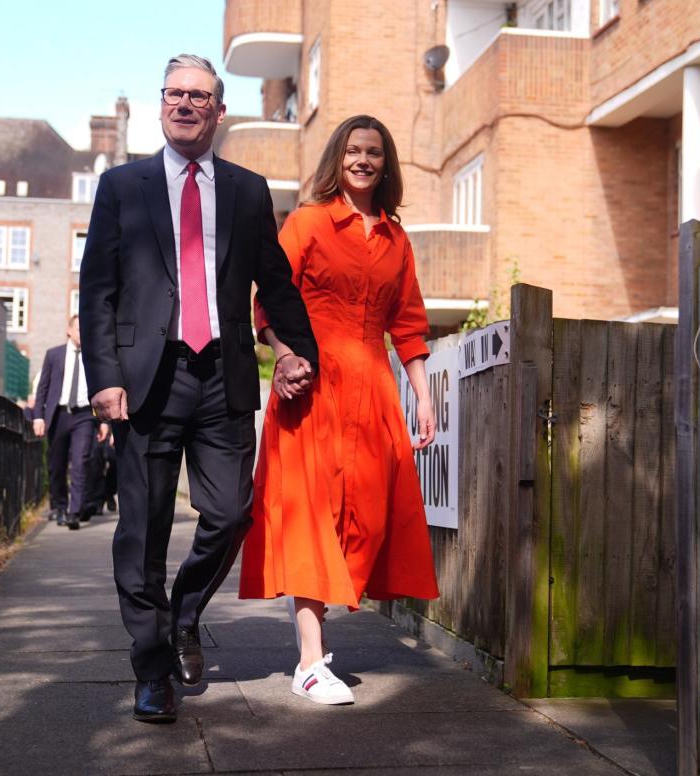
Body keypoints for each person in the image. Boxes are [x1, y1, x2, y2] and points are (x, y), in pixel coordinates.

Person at [79, 54, 318, 724]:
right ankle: (152, 668)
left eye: (200, 96)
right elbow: (97, 288)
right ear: (162, 104)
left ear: (218, 110)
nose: (185, 104)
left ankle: (183, 613)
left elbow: (274, 282)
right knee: (144, 529)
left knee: (231, 512)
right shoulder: (122, 186)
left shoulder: (245, 190)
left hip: (223, 375)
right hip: (147, 381)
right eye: (175, 93)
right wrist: (105, 377)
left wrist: (298, 352)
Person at [238, 115, 441, 705]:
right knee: (312, 514)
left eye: (374, 152)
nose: (362, 160)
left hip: (373, 388)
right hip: (312, 386)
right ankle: (308, 659)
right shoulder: (306, 221)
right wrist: (283, 357)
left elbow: (407, 325)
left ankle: (317, 639)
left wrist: (423, 395)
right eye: (353, 150)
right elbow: (268, 300)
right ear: (338, 156)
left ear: (386, 162)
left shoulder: (397, 239)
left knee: (369, 516)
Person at [31, 315, 106, 529]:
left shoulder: (94, 356)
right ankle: (60, 506)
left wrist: (103, 421)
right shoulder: (54, 355)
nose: (84, 334)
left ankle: (75, 511)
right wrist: (38, 416)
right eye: (80, 329)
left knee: (81, 462)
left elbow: (101, 388)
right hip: (59, 415)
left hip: (84, 415)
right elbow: (42, 388)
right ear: (69, 331)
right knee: (57, 465)